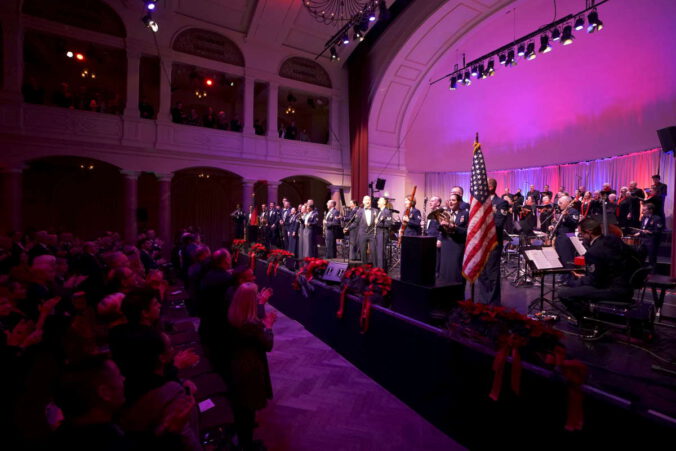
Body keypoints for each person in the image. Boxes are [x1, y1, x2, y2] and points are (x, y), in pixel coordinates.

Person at [558, 218, 639, 322]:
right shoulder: (613, 240)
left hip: (613, 290)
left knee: (563, 293)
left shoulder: (594, 251)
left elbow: (595, 282)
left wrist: (572, 282)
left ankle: (587, 321)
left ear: (589, 232)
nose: (581, 238)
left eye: (582, 234)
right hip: (627, 286)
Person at [228, 283, 276, 451]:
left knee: (242, 407)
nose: (257, 299)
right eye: (255, 297)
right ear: (249, 301)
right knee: (248, 407)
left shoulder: (233, 315)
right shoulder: (251, 326)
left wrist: (262, 303)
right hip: (250, 369)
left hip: (236, 363)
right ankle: (246, 445)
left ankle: (243, 439)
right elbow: (267, 345)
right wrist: (269, 327)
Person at [477, 179, 509, 305]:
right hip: (480, 243)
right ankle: (483, 301)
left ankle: (493, 303)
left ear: (490, 187)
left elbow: (499, 223)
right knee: (482, 273)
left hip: (493, 244)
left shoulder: (501, 203)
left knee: (491, 273)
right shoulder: (479, 203)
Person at [438, 194, 468, 284]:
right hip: (446, 244)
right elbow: (440, 230)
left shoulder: (465, 214)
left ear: (459, 202)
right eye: (450, 200)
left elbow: (467, 231)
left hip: (457, 245)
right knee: (445, 270)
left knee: (455, 270)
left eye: (453, 200)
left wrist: (453, 226)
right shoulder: (445, 213)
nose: (451, 202)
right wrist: (441, 225)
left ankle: (457, 293)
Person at [550, 196, 579, 282]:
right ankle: (563, 276)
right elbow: (561, 224)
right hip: (560, 237)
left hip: (568, 236)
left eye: (561, 203)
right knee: (561, 257)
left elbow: (574, 223)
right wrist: (553, 227)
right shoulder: (561, 211)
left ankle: (570, 278)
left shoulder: (573, 211)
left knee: (567, 258)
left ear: (568, 202)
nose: (559, 205)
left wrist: (566, 216)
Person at [635, 203, 663, 272]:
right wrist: (639, 233)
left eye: (644, 210)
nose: (642, 212)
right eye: (642, 210)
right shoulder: (644, 218)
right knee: (640, 255)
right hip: (643, 241)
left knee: (652, 258)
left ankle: (652, 273)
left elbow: (658, 231)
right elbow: (643, 228)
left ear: (650, 210)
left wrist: (649, 232)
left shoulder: (657, 219)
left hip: (652, 241)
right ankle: (640, 271)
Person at [350, 196, 377, 265]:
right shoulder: (359, 211)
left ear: (371, 201)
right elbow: (356, 222)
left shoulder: (375, 211)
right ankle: (365, 269)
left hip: (372, 234)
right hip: (362, 234)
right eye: (366, 200)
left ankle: (375, 270)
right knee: (363, 253)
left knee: (374, 252)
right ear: (363, 201)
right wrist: (348, 228)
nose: (367, 201)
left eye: (369, 200)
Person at [374, 197, 393, 270]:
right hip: (378, 234)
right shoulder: (380, 211)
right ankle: (379, 269)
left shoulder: (387, 211)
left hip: (382, 234)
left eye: (379, 201)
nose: (377, 202)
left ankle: (381, 271)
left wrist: (377, 223)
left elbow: (388, 224)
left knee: (381, 253)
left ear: (384, 202)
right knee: (378, 253)